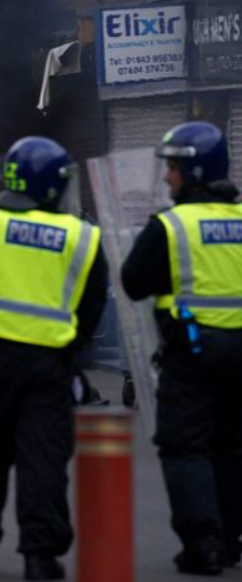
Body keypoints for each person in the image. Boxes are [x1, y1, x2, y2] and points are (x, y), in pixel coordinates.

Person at [0, 136, 108, 581]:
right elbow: (92, 306)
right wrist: (69, 346)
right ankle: (41, 556)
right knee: (43, 460)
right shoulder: (80, 235)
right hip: (49, 366)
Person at [121, 121, 242, 575]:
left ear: (194, 171)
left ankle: (204, 542)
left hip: (192, 355)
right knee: (231, 447)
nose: (167, 176)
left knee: (185, 447)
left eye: (172, 167)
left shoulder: (170, 226)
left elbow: (134, 283)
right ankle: (231, 539)